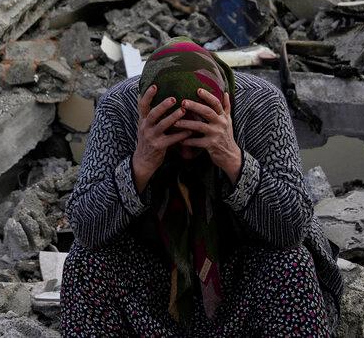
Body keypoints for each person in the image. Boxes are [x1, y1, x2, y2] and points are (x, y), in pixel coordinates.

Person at [61, 37, 342, 336]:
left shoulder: (262, 105)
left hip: (241, 271)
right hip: (153, 277)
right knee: (84, 263)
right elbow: (84, 227)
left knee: (292, 264)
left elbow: (293, 226)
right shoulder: (120, 109)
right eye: (174, 139)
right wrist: (140, 165)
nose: (185, 154)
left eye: (196, 141)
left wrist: (233, 160)